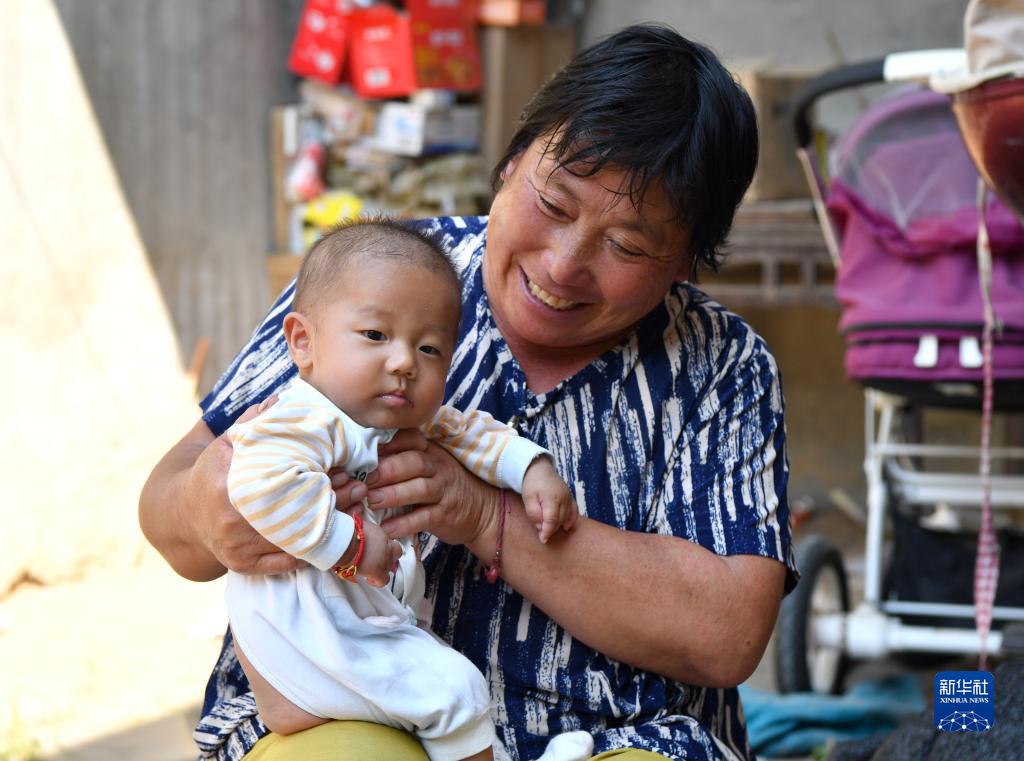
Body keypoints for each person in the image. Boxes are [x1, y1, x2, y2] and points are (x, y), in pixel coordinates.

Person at [140, 22, 797, 761]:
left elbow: (727, 635)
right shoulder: (380, 276)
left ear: (685, 264)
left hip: (617, 737)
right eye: (554, 203)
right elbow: (168, 500)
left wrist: (486, 513)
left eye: (627, 246)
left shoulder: (721, 364)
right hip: (340, 706)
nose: (563, 264)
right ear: (512, 164)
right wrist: (203, 510)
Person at [221, 218, 583, 761]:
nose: (403, 362)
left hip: (355, 626)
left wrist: (531, 470)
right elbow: (258, 484)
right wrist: (353, 547)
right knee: (455, 692)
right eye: (374, 335)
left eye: (431, 349)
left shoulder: (405, 426)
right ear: (303, 342)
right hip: (302, 630)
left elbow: (473, 435)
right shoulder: (303, 418)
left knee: (443, 687)